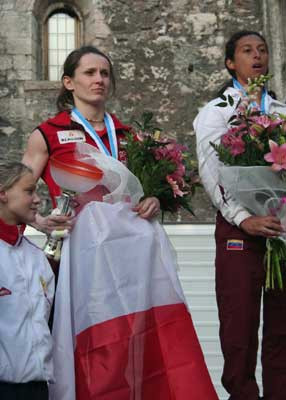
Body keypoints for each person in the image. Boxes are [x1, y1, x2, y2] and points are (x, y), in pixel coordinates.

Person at [22, 46, 219, 400]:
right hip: (78, 262)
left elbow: (149, 193)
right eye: (89, 73)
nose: (99, 79)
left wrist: (155, 199)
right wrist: (41, 220)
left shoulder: (131, 137)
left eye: (105, 73)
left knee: (142, 341)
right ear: (68, 82)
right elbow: (17, 191)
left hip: (134, 262)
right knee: (98, 347)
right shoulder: (48, 134)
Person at [194, 30, 286, 400]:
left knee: (281, 331)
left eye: (262, 50)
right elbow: (210, 172)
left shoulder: (281, 113)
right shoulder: (215, 113)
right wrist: (242, 217)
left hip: (279, 230)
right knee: (239, 330)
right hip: (239, 230)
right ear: (231, 62)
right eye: (247, 51)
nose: (257, 56)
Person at [0, 161, 54, 400]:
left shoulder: (36, 256)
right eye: (29, 191)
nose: (37, 199)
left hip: (38, 389)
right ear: (3, 193)